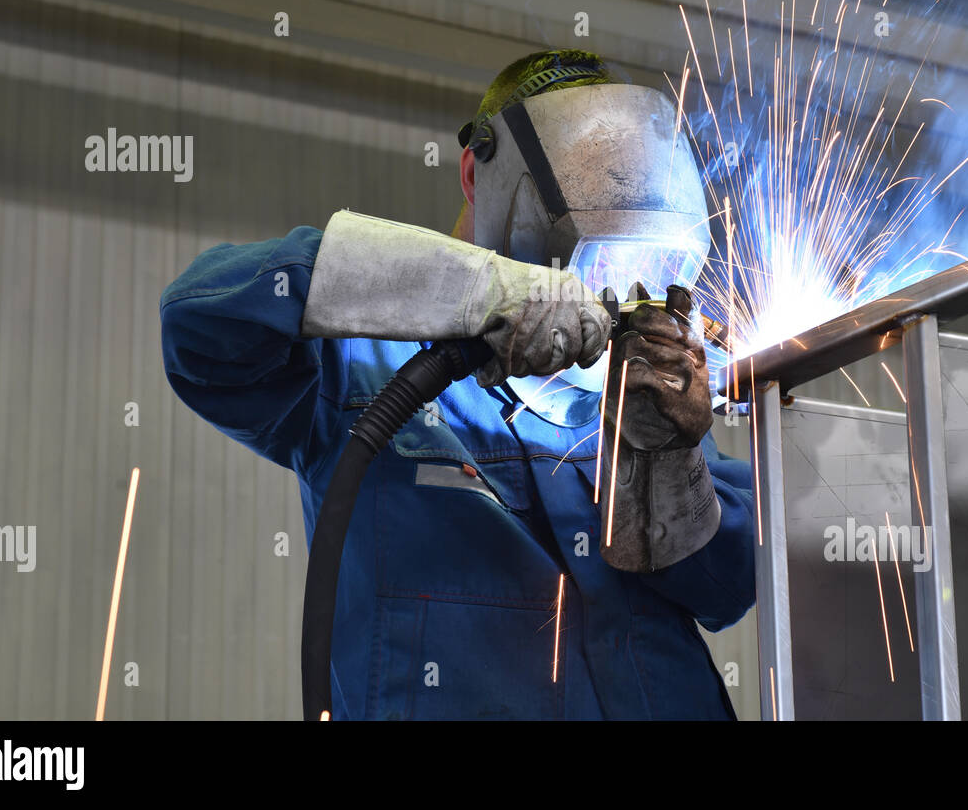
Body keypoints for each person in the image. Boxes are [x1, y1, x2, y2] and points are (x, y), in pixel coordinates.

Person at [160, 48, 756, 719]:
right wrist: (476, 292)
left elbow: (728, 588)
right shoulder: (369, 366)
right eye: (605, 253)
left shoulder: (633, 395)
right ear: (478, 175)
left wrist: (668, 457)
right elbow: (197, 324)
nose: (618, 284)